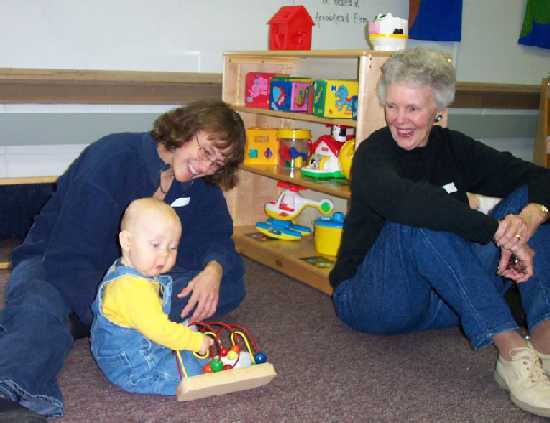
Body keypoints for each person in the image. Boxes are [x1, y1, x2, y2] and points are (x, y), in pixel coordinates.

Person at [330, 47, 550, 418]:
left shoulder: (454, 147)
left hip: (448, 301)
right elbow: (411, 204)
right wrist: (497, 231)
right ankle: (512, 351)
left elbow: (540, 178)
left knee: (535, 206)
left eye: (413, 109)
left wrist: (530, 216)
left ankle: (544, 344)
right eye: (392, 106)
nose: (399, 119)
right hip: (375, 301)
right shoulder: (372, 155)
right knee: (417, 219)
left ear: (438, 110)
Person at [0, 100, 246, 421]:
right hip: (59, 261)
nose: (205, 166)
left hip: (142, 277)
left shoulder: (200, 185)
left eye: (217, 163)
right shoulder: (112, 157)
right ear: (185, 129)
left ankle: (91, 320)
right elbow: (67, 255)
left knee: (226, 283)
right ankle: (12, 390)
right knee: (38, 303)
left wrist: (214, 269)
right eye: (204, 151)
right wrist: (106, 309)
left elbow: (218, 238)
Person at [91, 197, 213, 394]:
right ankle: (208, 368)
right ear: (127, 241)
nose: (164, 255)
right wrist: (194, 341)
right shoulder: (131, 288)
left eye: (172, 247)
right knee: (190, 373)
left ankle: (194, 356)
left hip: (140, 347)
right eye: (155, 245)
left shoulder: (131, 270)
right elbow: (159, 329)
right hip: (133, 367)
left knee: (186, 354)